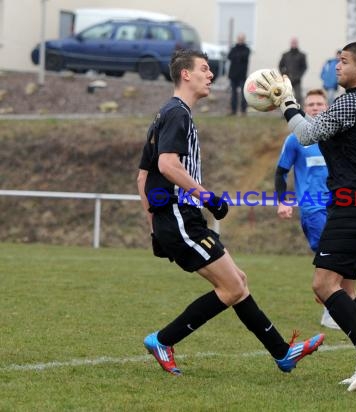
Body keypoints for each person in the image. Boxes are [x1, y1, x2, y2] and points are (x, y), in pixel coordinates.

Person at [136, 49, 324, 378]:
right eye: (204, 69)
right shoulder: (177, 113)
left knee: (238, 282)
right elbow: (167, 165)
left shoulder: (168, 113)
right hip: (181, 216)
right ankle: (163, 340)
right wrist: (207, 198)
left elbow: (142, 178)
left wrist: (155, 228)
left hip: (178, 219)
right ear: (185, 75)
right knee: (232, 288)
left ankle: (283, 353)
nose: (210, 75)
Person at [256, 41, 356, 392]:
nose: (337, 65)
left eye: (344, 61)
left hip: (352, 207)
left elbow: (307, 135)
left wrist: (287, 102)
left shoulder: (352, 100)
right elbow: (320, 131)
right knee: (345, 288)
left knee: (323, 285)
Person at [274, 88, 339, 331]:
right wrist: (283, 200)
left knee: (338, 257)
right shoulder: (296, 139)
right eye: (310, 104)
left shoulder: (336, 136)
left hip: (338, 206)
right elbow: (281, 172)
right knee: (331, 256)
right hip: (313, 209)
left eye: (319, 104)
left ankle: (329, 298)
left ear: (327, 107)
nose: (314, 107)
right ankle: (330, 311)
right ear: (304, 108)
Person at [227, 33, 251, 115]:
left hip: (242, 76)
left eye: (242, 39)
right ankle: (233, 110)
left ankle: (243, 111)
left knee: (244, 94)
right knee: (233, 94)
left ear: (244, 40)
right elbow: (229, 56)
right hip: (233, 75)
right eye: (239, 39)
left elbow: (244, 57)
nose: (240, 40)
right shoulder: (233, 48)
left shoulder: (247, 49)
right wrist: (238, 56)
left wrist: (237, 56)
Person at [278, 37, 307, 105]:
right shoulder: (285, 55)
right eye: (292, 43)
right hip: (287, 79)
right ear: (290, 44)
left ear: (297, 44)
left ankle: (299, 112)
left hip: (297, 80)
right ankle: (286, 113)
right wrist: (284, 74)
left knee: (298, 97)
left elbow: (304, 67)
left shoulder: (302, 55)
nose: (294, 44)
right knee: (285, 96)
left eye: (295, 43)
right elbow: (280, 66)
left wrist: (299, 76)